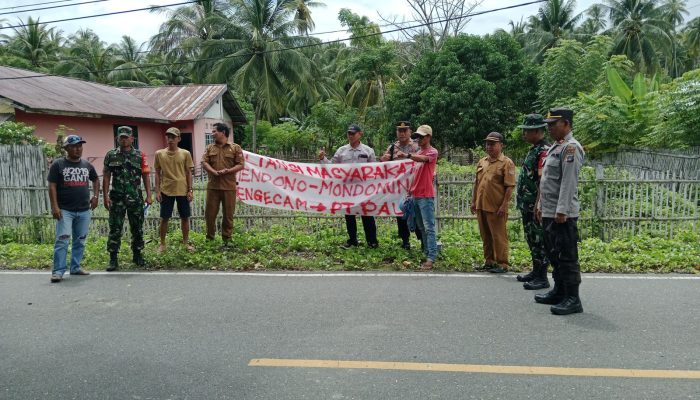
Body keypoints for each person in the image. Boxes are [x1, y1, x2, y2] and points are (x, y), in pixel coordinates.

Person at [535, 108, 585, 315]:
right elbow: (546, 181)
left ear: (565, 123)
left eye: (552, 124)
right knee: (553, 254)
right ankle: (559, 291)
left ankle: (573, 299)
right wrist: (540, 205)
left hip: (561, 214)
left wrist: (562, 210)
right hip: (549, 211)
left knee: (567, 257)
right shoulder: (556, 147)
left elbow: (568, 182)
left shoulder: (571, 148)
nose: (549, 128)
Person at [47, 135, 99, 282]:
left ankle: (75, 267)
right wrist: (55, 206)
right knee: (62, 240)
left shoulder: (86, 165)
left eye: (80, 146)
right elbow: (52, 186)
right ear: (66, 148)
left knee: (80, 240)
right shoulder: (58, 165)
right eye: (74, 146)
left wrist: (95, 196)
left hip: (84, 210)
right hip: (65, 210)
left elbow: (95, 179)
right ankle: (58, 271)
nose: (78, 149)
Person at [319, 123, 379, 249]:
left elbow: (374, 170)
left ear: (360, 134)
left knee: (367, 215)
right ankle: (352, 240)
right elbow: (332, 167)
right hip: (347, 189)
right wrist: (323, 158)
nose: (350, 136)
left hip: (364, 190)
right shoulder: (341, 151)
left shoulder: (368, 151)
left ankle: (372, 241)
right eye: (349, 133)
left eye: (353, 133)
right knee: (349, 216)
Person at [103, 126, 153, 271]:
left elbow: (145, 176)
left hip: (135, 198)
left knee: (137, 228)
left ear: (132, 139)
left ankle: (137, 255)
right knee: (115, 228)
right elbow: (106, 176)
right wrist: (105, 196)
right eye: (121, 137)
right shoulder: (111, 155)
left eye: (126, 137)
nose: (124, 140)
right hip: (117, 198)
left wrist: (149, 195)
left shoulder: (140, 155)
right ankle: (113, 259)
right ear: (117, 138)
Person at [470, 132, 516, 274]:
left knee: (498, 236)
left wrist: (504, 205)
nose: (489, 147)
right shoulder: (482, 161)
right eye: (487, 144)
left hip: (496, 207)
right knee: (486, 235)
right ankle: (489, 261)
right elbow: (477, 184)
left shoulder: (506, 163)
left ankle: (502, 263)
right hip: (481, 205)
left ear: (501, 145)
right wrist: (473, 202)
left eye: (493, 144)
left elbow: (509, 186)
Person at [515, 114, 551, 290]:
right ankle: (536, 271)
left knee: (538, 239)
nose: (524, 135)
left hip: (534, 205)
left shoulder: (543, 150)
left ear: (537, 131)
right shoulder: (534, 149)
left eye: (527, 131)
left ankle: (542, 276)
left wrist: (539, 204)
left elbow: (542, 180)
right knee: (531, 238)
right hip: (527, 204)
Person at [380, 121, 422, 250]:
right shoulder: (392, 148)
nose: (402, 133)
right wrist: (384, 160)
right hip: (398, 188)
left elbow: (423, 161)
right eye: (400, 130)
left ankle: (422, 240)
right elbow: (383, 165)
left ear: (410, 132)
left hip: (415, 185)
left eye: (405, 130)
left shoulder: (416, 146)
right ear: (396, 132)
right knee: (401, 213)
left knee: (417, 213)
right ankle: (405, 240)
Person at [402, 125, 438, 269]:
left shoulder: (432, 152)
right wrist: (410, 190)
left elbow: (422, 159)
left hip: (426, 196)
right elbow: (415, 174)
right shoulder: (418, 152)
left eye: (422, 136)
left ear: (428, 137)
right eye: (418, 136)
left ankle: (431, 257)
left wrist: (408, 155)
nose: (419, 139)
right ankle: (426, 251)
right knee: (421, 227)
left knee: (429, 227)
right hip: (416, 195)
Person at [201, 122, 244, 244]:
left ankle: (227, 239)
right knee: (209, 214)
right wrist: (213, 171)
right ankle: (210, 238)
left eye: (215, 131)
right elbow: (204, 162)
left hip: (229, 187)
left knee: (228, 215)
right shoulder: (209, 148)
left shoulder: (235, 148)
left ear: (223, 133)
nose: (212, 133)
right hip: (213, 187)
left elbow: (241, 165)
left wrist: (228, 171)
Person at [154, 127, 195, 253]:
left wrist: (190, 190)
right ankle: (162, 244)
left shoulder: (185, 153)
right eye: (168, 137)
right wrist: (157, 190)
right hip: (166, 190)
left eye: (173, 137)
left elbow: (189, 173)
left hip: (182, 190)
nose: (170, 139)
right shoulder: (159, 154)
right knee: (164, 218)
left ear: (179, 139)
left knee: (185, 217)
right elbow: (157, 172)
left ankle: (186, 243)